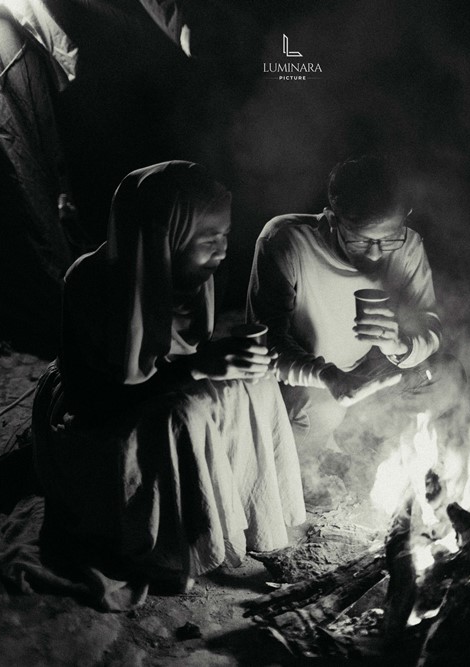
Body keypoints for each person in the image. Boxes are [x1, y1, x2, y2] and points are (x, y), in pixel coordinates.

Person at [31, 161, 305, 603]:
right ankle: (170, 549)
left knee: (256, 383)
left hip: (161, 386)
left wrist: (235, 363)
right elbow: (95, 402)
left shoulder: (197, 278)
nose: (222, 250)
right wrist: (197, 369)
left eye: (225, 235)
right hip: (93, 410)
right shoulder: (89, 282)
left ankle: (252, 520)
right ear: (163, 236)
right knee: (183, 414)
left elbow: (184, 356)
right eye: (208, 239)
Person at [246, 155, 443, 494]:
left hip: (370, 375)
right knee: (318, 414)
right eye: (361, 240)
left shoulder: (408, 246)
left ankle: (371, 449)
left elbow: (430, 324)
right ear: (332, 218)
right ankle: (312, 461)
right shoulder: (287, 240)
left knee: (447, 376)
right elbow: (268, 344)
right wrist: (328, 376)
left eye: (389, 238)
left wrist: (400, 345)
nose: (377, 254)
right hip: (309, 383)